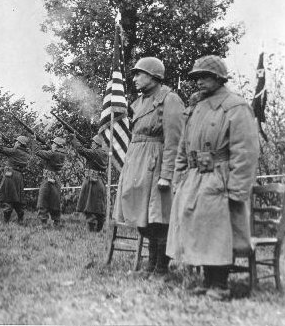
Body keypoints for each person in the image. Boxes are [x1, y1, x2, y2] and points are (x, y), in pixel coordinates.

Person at [167, 55, 259, 300]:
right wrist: (179, 180)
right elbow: (183, 149)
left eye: (205, 76)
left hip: (221, 178)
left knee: (218, 232)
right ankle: (207, 280)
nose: (199, 82)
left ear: (219, 78)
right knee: (200, 229)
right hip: (195, 178)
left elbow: (246, 151)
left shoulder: (236, 107)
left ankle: (220, 284)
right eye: (197, 77)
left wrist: (237, 188)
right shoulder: (196, 108)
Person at [114, 57, 184, 276]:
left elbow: (175, 141)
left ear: (154, 76)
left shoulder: (169, 100)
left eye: (139, 74)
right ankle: (151, 264)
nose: (134, 79)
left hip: (156, 164)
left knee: (158, 218)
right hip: (137, 163)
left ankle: (160, 268)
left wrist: (167, 175)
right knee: (141, 217)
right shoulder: (139, 102)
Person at [71, 134, 108, 232]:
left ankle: (91, 230)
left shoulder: (95, 153)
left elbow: (81, 150)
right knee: (99, 207)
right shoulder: (103, 153)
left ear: (97, 144)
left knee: (89, 207)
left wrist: (74, 139)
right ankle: (99, 228)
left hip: (92, 182)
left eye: (93, 143)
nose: (91, 144)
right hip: (99, 181)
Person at [0, 135, 31, 223]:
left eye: (16, 141)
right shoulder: (27, 154)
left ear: (19, 143)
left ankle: (6, 222)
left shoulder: (14, 151)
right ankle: (20, 218)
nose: (15, 143)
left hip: (10, 175)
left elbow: (0, 148)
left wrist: (0, 138)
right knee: (17, 198)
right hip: (19, 177)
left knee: (8, 197)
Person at [35, 136, 67, 226]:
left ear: (57, 146)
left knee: (43, 200)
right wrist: (45, 146)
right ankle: (57, 222)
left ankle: (43, 223)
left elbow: (37, 152)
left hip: (48, 180)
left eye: (53, 143)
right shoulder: (61, 154)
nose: (52, 145)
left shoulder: (52, 154)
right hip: (56, 179)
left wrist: (35, 141)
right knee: (55, 202)